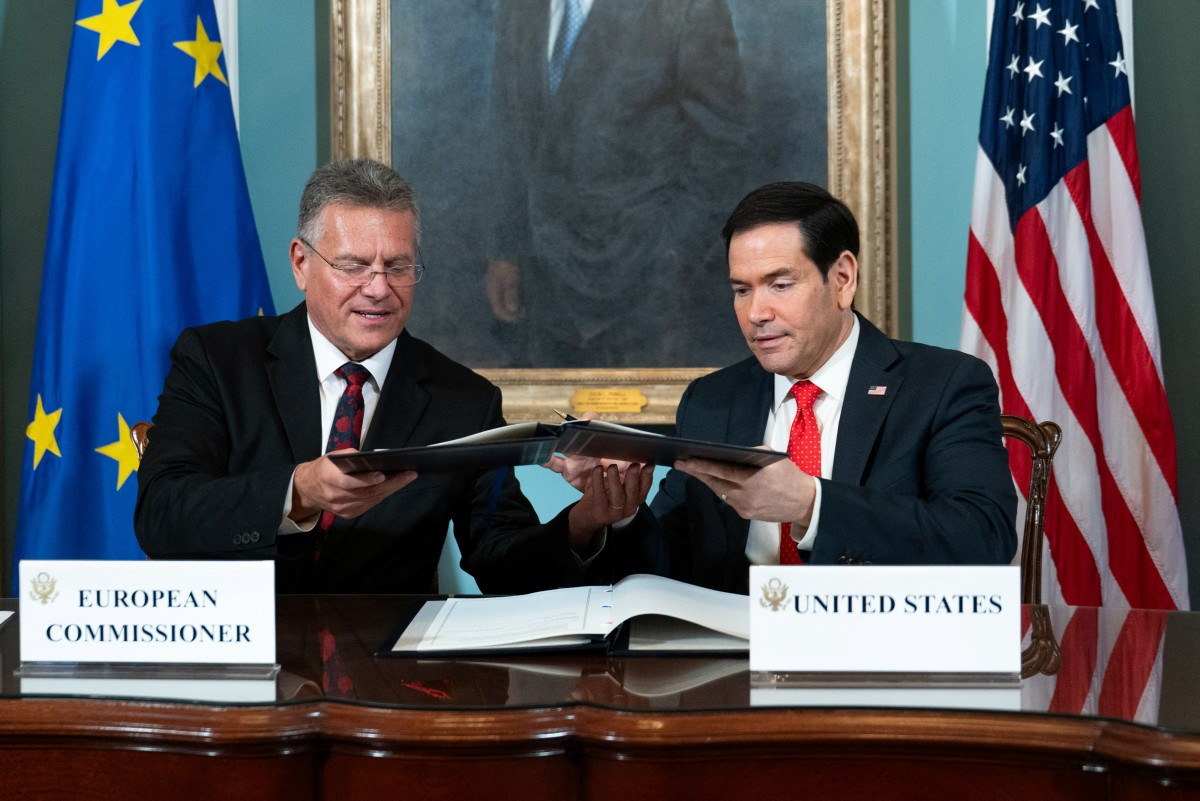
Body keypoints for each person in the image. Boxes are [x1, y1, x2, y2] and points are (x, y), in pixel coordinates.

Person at [134, 158, 651, 594]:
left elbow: (499, 561)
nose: (378, 289)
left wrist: (584, 523)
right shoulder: (218, 359)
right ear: (300, 263)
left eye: (397, 267)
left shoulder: (463, 401)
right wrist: (299, 490)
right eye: (354, 266)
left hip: (384, 672)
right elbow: (162, 514)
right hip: (239, 656)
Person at [549, 182, 1017, 593]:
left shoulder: (942, 385)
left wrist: (812, 504)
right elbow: (671, 574)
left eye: (780, 284)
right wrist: (623, 509)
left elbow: (983, 539)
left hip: (881, 663)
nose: (757, 313)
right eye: (742, 290)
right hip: (729, 671)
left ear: (842, 278)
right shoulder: (713, 401)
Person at [485, 0, 748, 367]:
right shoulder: (521, 8)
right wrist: (505, 250)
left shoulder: (687, 8)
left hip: (646, 284)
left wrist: (676, 255)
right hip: (542, 283)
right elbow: (509, 133)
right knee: (550, 421)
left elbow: (722, 145)